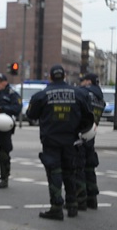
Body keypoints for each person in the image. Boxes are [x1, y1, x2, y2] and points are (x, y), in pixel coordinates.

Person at [26, 64, 94, 221]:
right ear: (64, 76)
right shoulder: (78, 94)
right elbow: (88, 116)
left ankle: (56, 207)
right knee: (70, 171)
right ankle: (72, 205)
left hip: (51, 140)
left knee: (54, 172)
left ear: (50, 77)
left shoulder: (42, 95)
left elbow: (31, 115)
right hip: (72, 139)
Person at [76, 72, 105, 210]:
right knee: (89, 166)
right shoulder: (100, 98)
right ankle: (92, 199)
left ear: (88, 82)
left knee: (78, 167)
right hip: (91, 134)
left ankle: (80, 199)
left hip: (80, 133)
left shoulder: (84, 94)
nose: (81, 83)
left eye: (83, 81)